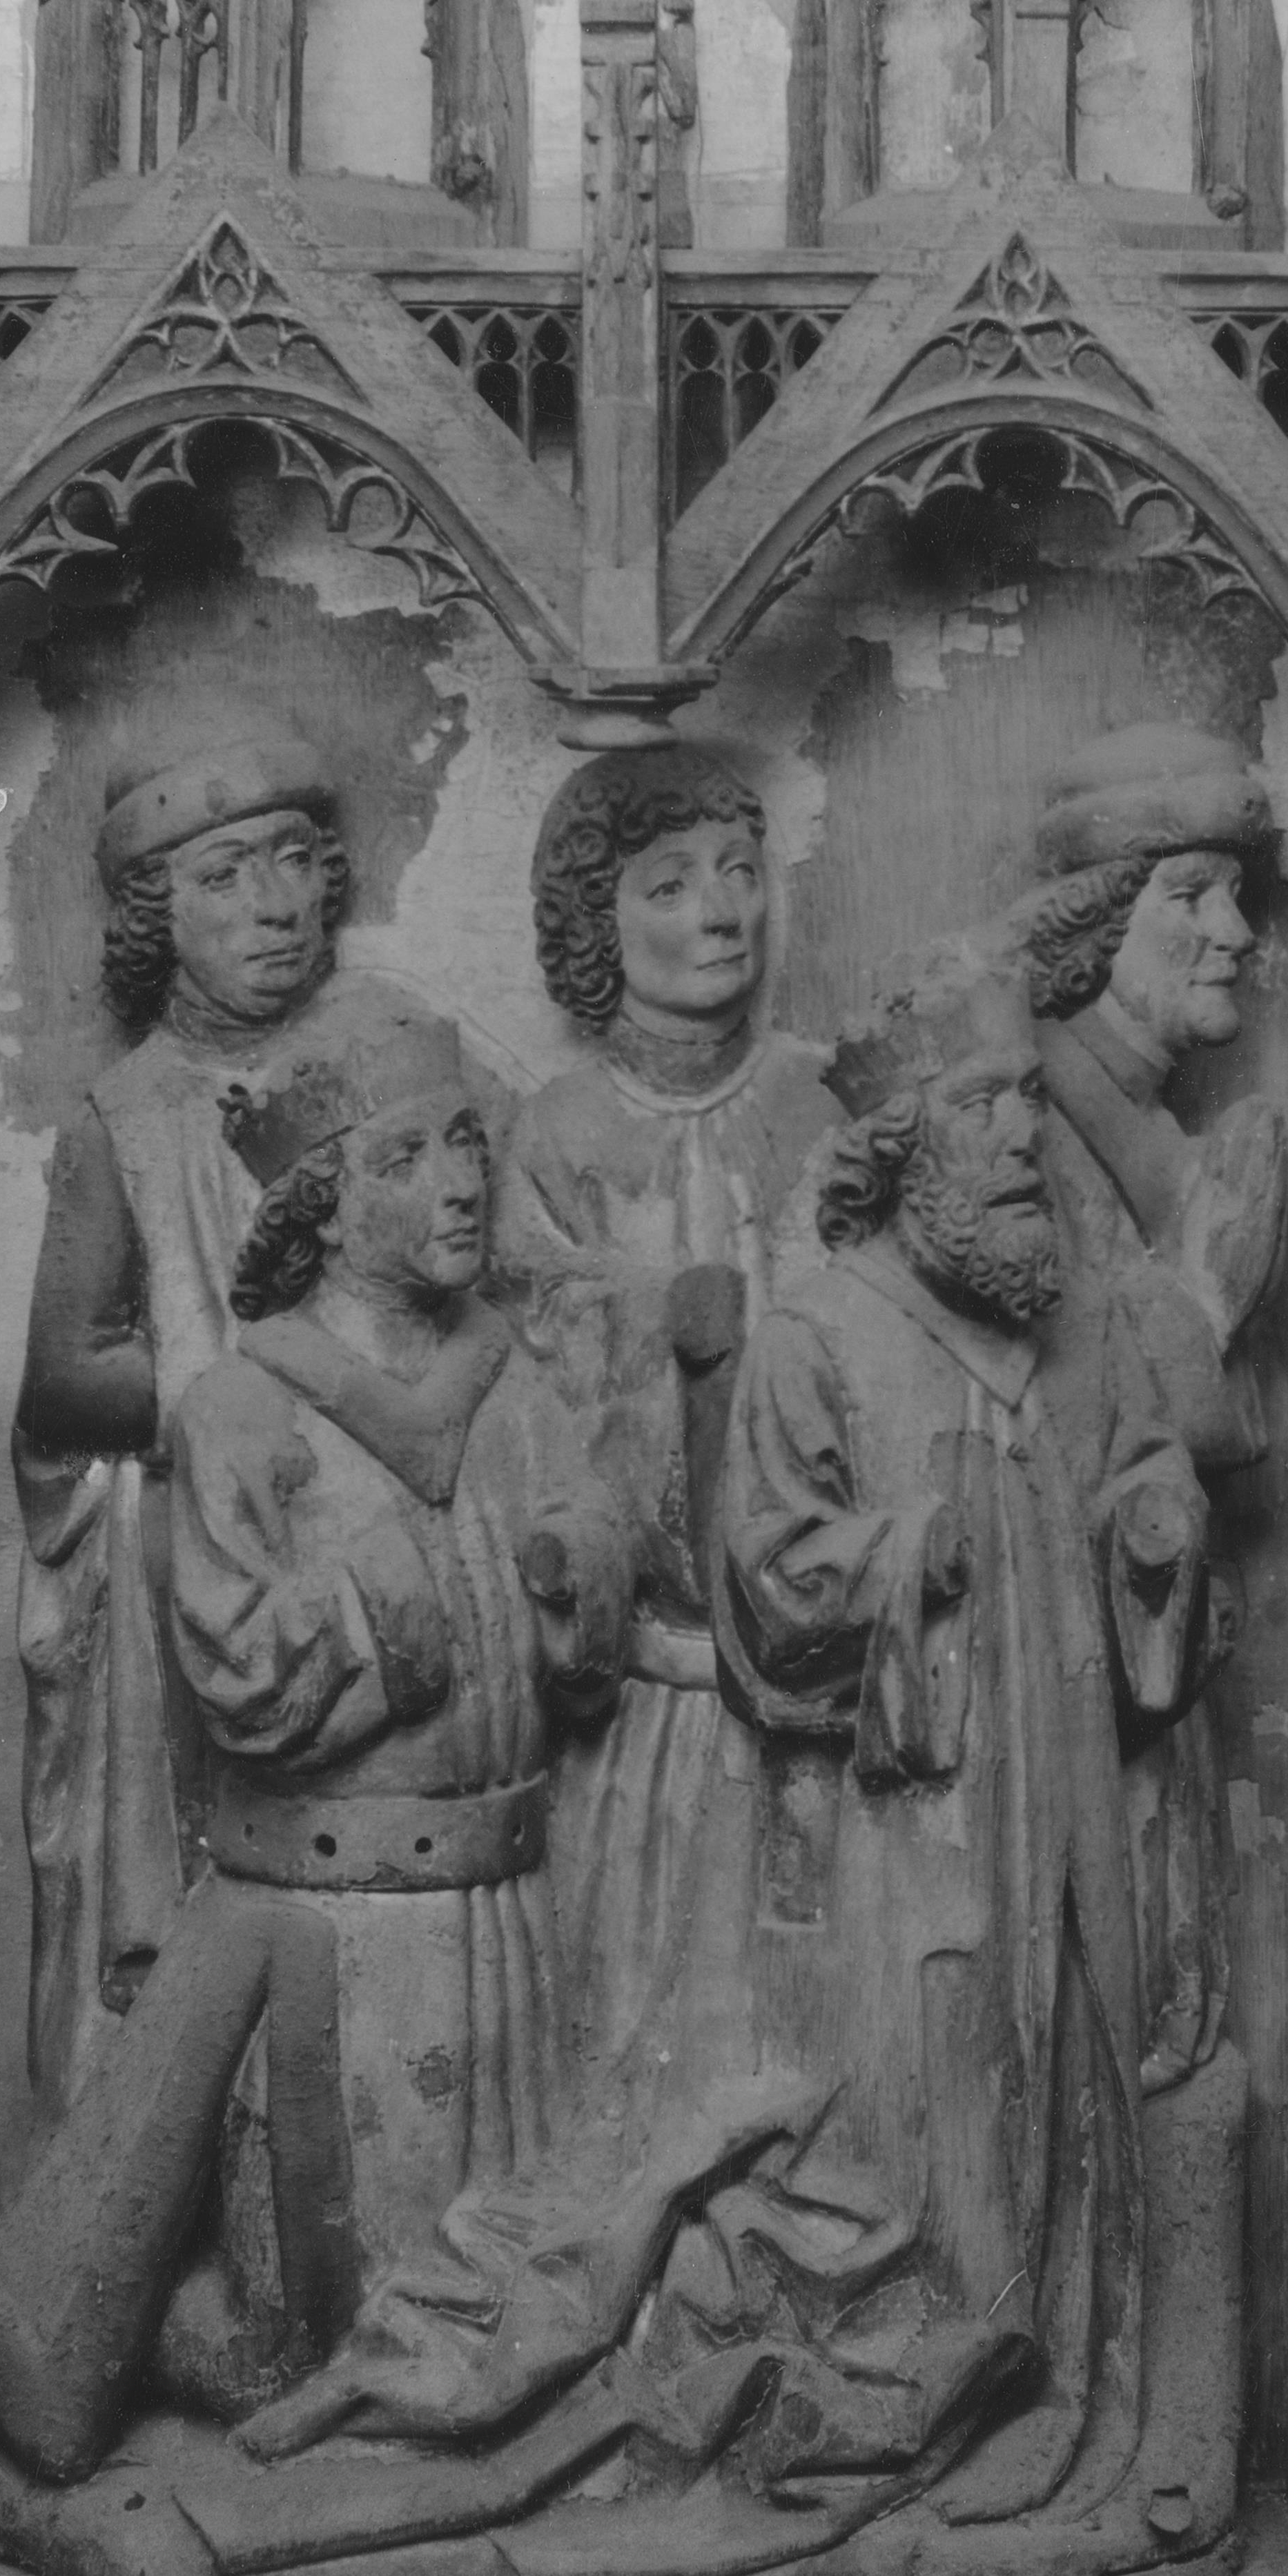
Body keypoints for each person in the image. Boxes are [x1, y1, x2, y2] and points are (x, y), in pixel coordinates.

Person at [179, 941, 1237, 2576]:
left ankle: (1005, 2356)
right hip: (880, 1827)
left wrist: (1150, 1536)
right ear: (901, 1154)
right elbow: (770, 1590)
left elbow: (1140, 1503)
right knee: (857, 2127)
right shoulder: (822, 1337)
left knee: (1032, 2104)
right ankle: (543, 2381)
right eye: (984, 1107)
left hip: (1050, 1815)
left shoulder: (1081, 1332)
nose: (1025, 1135)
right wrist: (903, 1557)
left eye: (1032, 1101)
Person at [0, 1007, 632, 2488]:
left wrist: (582, 1570)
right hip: (349, 1945)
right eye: (411, 1154)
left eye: (469, 1141)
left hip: (518, 1921)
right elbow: (239, 1681)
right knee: (347, 2323)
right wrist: (385, 1605)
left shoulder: (513, 1388)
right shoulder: (241, 1408)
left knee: (517, 2302)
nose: (463, 1178)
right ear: (322, 1205)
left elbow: (583, 1576)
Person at [14, 730, 440, 2098]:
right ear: (155, 918)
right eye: (225, 876)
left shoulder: (391, 1065)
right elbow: (62, 1376)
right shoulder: (129, 1115)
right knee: (201, 1901)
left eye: (296, 862)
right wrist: (240, 1380)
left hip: (381, 1520)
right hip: (206, 1554)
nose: (274, 904)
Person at [496, 741, 841, 2078]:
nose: (722, 911)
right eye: (671, 884)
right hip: (651, 1681)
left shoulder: (815, 1103)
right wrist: (659, 1335)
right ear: (597, 920)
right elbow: (540, 1378)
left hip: (816, 1663)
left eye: (742, 873)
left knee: (805, 2014)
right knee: (633, 2013)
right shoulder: (560, 1132)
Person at [1009, 723, 1288, 2098]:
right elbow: (1065, 1421)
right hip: (1057, 1679)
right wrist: (1204, 1302)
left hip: (1149, 1655)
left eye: (1235, 893)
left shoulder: (1155, 1134)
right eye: (1189, 894)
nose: (1233, 932)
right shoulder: (1030, 1131)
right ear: (1093, 924)